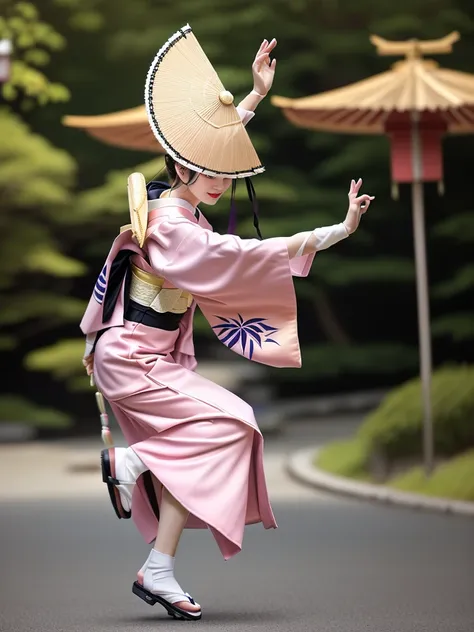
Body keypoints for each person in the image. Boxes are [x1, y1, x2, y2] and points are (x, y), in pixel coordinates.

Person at [80, 24, 374, 622]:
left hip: (144, 356)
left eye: (226, 173)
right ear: (186, 169)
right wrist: (333, 233)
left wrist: (254, 97)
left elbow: (212, 148)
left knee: (208, 450)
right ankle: (135, 462)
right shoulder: (173, 226)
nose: (224, 180)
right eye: (215, 172)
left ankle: (158, 568)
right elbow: (242, 257)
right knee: (235, 420)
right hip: (133, 358)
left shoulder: (180, 210)